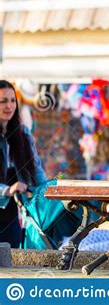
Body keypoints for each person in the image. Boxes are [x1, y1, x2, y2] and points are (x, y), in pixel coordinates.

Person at [0, 80, 48, 248]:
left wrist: (49, 190)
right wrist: (6, 190)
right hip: (5, 197)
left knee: (11, 260)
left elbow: (36, 169)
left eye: (13, 100)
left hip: (12, 213)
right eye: (3, 101)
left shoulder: (23, 132)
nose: (9, 106)